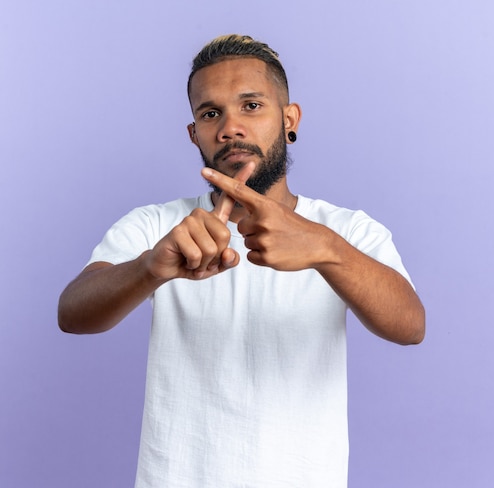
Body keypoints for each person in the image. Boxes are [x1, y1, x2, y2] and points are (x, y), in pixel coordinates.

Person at [58, 34, 425, 488]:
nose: (230, 127)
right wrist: (150, 267)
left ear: (290, 120)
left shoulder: (347, 230)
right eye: (210, 113)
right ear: (194, 133)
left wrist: (325, 248)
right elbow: (72, 313)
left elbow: (410, 326)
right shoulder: (158, 225)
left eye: (251, 106)